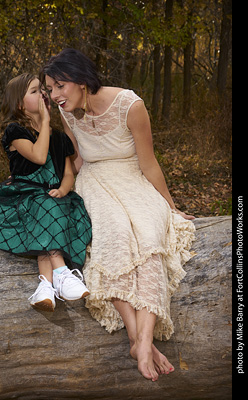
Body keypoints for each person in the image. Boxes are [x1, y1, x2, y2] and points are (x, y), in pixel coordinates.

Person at [42, 48, 196, 381]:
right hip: (95, 182)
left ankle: (142, 340)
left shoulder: (131, 105)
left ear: (82, 81)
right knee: (114, 238)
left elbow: (149, 162)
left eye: (59, 86)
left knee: (151, 236)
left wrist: (169, 205)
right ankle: (137, 339)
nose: (54, 95)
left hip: (133, 179)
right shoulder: (68, 112)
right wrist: (55, 188)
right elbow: (79, 159)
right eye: (50, 88)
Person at [0, 73, 92, 312]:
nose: (43, 94)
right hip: (24, 194)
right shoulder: (15, 131)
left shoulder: (59, 137)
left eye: (42, 90)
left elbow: (69, 173)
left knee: (51, 208)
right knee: (44, 206)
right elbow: (38, 156)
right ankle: (61, 272)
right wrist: (46, 121)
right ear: (19, 103)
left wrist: (64, 189)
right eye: (35, 91)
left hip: (53, 195)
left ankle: (45, 287)